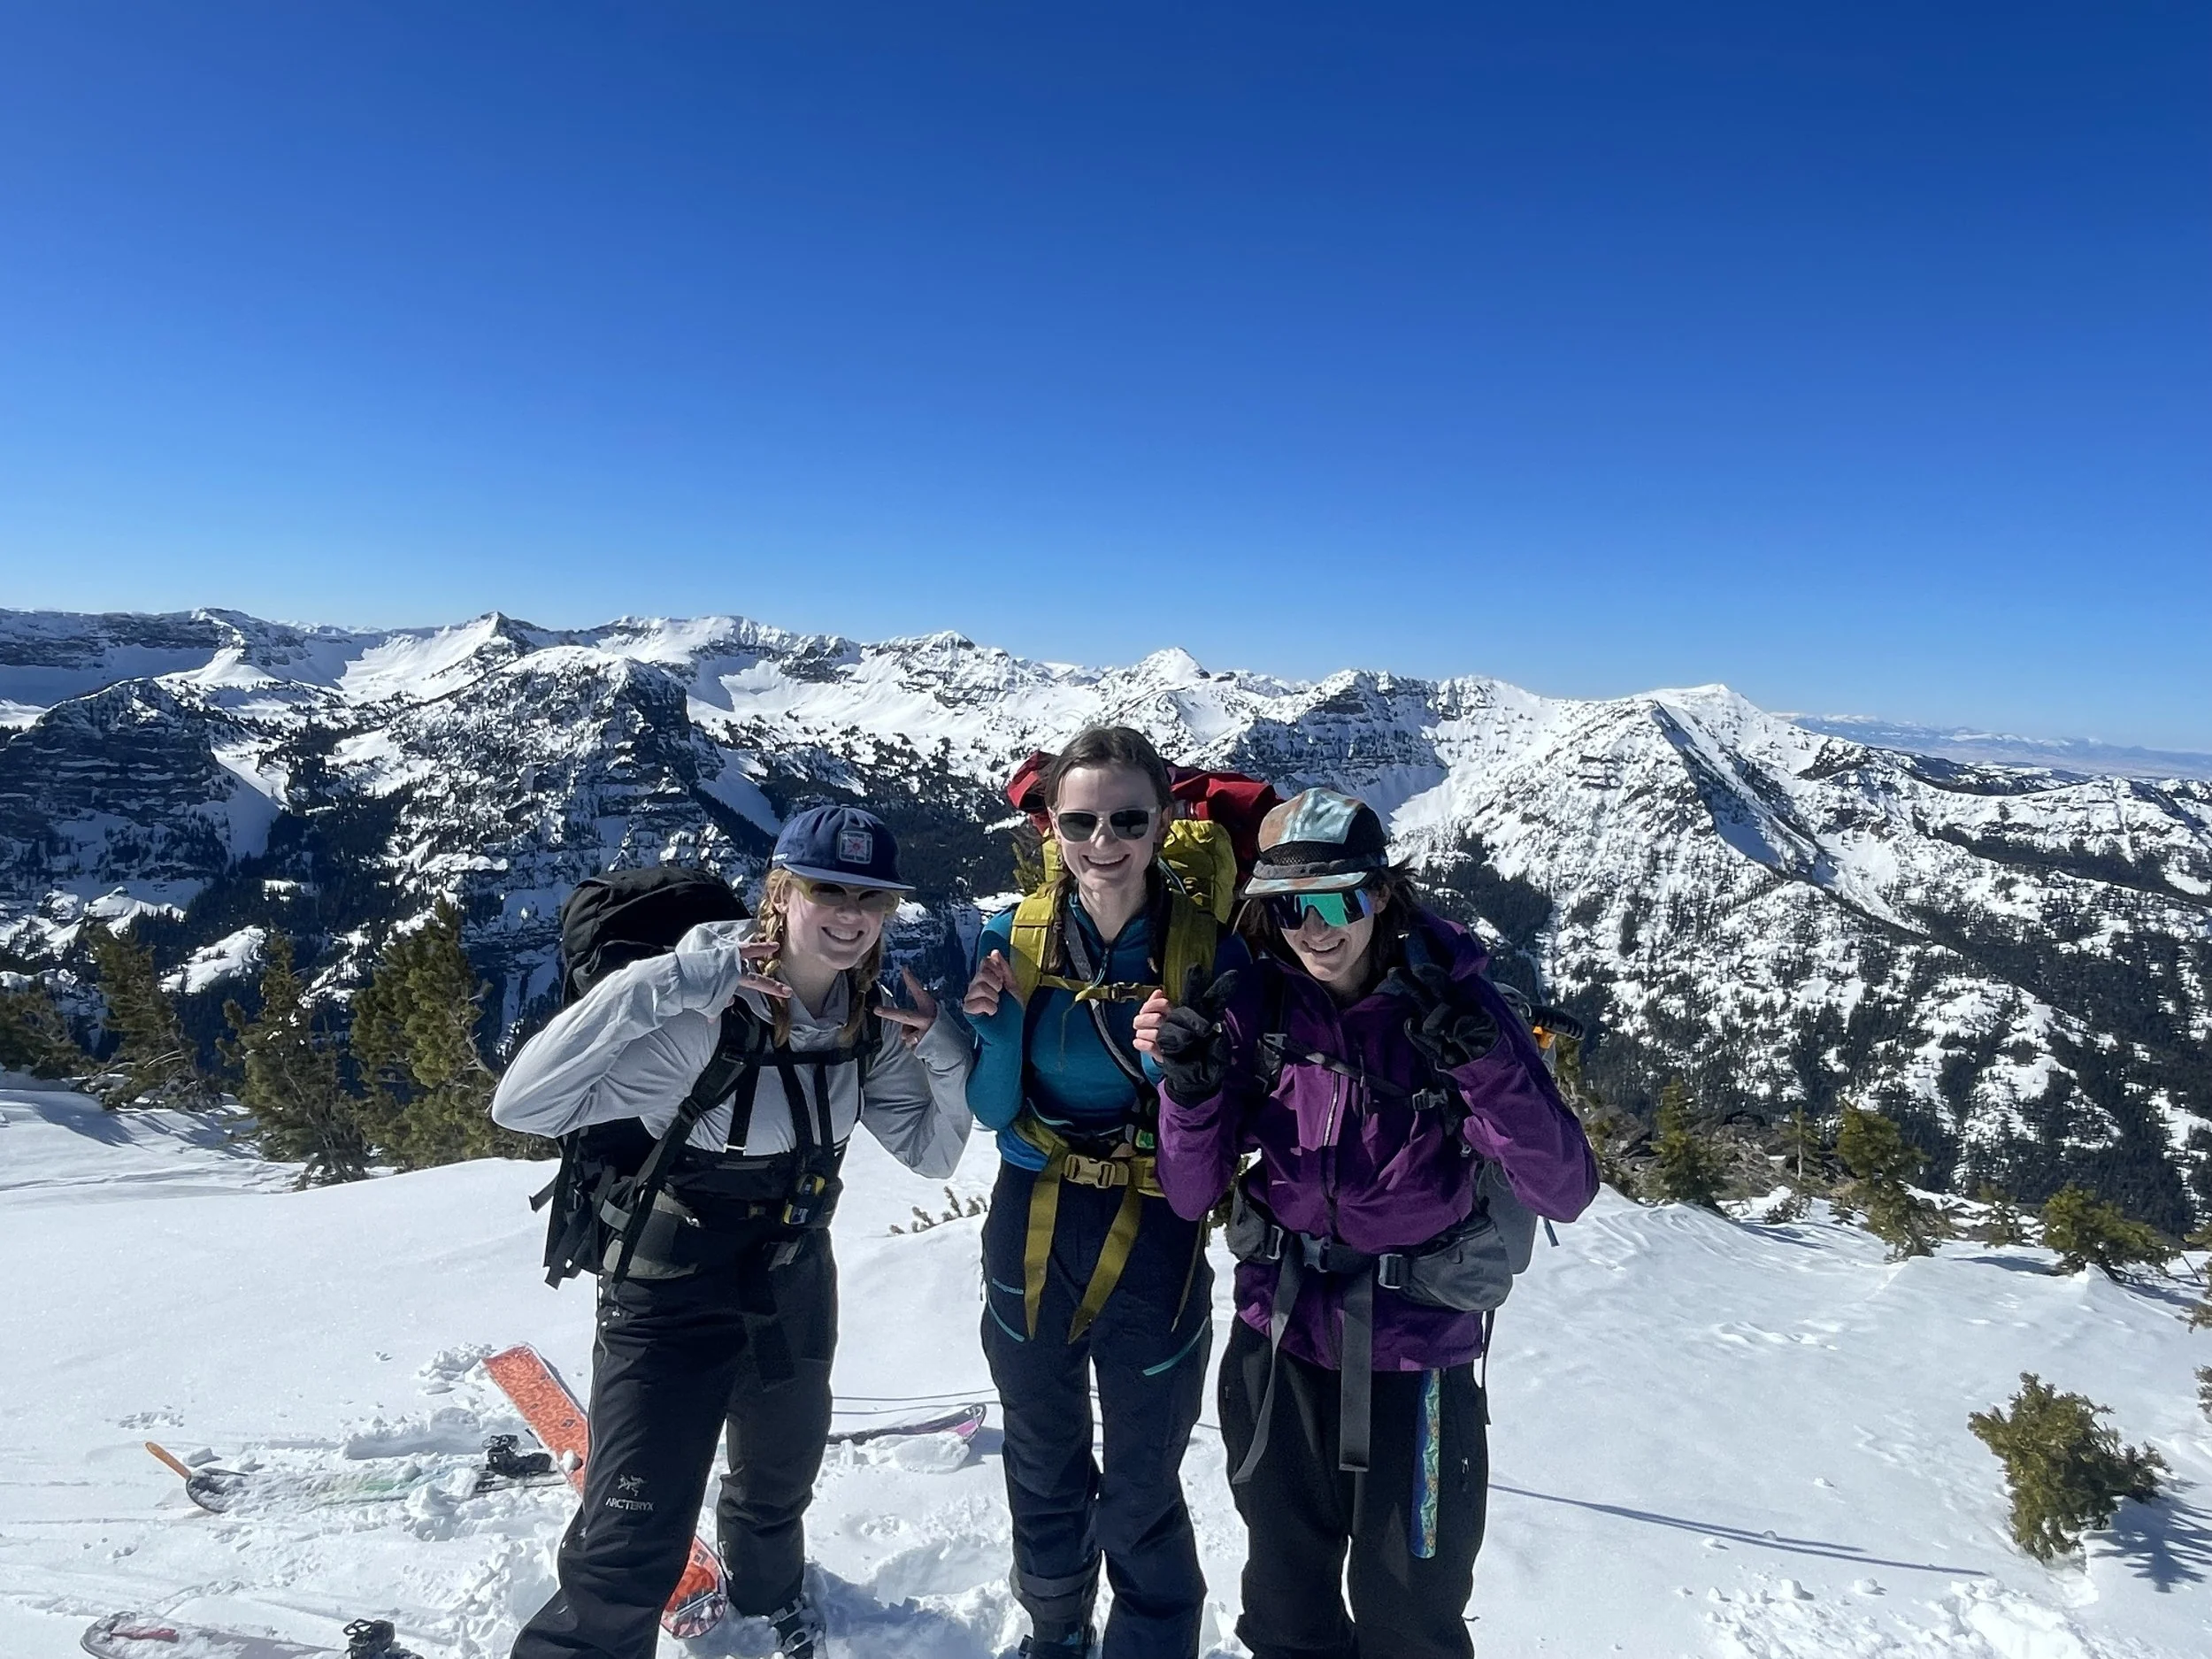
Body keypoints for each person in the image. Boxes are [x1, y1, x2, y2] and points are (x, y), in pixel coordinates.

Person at [492, 806, 973, 1659]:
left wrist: (941, 1045)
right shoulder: (700, 1016)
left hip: (791, 1277)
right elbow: (523, 1104)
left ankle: (771, 1596)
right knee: (635, 1530)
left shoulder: (867, 1027)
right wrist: (667, 982)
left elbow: (934, 1153)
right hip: (668, 1290)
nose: (852, 911)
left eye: (874, 895)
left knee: (777, 1483)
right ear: (782, 891)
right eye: (829, 887)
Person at [1138, 788, 1598, 1659]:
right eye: (1287, 906)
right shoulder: (1256, 1000)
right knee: (1284, 1605)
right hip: (1277, 1340)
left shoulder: (1452, 1003)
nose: (1312, 929)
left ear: (1382, 893)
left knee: (1407, 1620)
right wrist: (1189, 1091)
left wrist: (1484, 1065)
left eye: (1335, 898)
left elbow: (1564, 1187)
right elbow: (1193, 1193)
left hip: (1417, 1351)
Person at [962, 726, 1245, 1658]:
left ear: (1165, 819)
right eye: (1078, 819)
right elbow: (996, 1108)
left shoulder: (1211, 958)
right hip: (1032, 1214)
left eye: (1127, 817)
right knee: (1040, 1455)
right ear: (1048, 825)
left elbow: (1221, 1146)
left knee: (1140, 1474)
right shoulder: (1014, 938)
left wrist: (1178, 1071)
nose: (1103, 840)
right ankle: (1054, 1631)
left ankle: (1148, 1642)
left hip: (1156, 1232)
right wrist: (998, 1032)